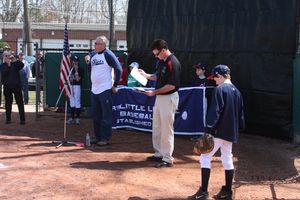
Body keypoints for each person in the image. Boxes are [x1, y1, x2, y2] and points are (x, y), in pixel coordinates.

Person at [188, 64, 245, 200]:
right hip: (231, 132)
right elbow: (241, 115)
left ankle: (203, 192)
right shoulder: (237, 91)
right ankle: (227, 192)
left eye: (215, 78)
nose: (214, 80)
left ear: (220, 75)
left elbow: (215, 112)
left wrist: (208, 129)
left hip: (218, 131)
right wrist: (238, 129)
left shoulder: (220, 89)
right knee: (227, 158)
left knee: (205, 157)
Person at [139, 39, 181, 168]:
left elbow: (171, 85)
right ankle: (158, 153)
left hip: (168, 97)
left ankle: (167, 158)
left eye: (157, 54)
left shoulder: (173, 62)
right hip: (160, 97)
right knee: (157, 126)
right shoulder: (161, 61)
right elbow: (158, 76)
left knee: (166, 129)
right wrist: (146, 75)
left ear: (163, 50)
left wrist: (154, 92)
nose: (155, 56)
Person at [86, 35, 122, 146]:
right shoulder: (93, 54)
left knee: (106, 115)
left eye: (97, 44)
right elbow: (89, 60)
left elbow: (119, 69)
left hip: (105, 89)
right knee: (96, 115)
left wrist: (115, 85)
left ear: (104, 45)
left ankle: (105, 138)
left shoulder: (108, 54)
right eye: (95, 43)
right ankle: (97, 137)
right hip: (94, 90)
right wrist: (87, 58)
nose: (95, 45)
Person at [0, 51, 26, 124]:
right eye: (6, 56)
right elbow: (4, 73)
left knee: (20, 102)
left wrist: (15, 59)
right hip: (7, 87)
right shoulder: (2, 65)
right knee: (8, 103)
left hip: (16, 86)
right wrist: (8, 65)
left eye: (8, 56)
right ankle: (8, 119)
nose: (7, 57)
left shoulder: (15, 64)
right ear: (3, 57)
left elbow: (22, 65)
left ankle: (22, 119)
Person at [67, 55, 84, 125]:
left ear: (78, 62)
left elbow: (77, 79)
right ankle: (72, 118)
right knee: (72, 101)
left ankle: (77, 118)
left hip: (77, 86)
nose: (75, 62)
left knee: (77, 101)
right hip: (71, 86)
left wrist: (76, 70)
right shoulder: (71, 69)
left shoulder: (81, 69)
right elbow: (70, 79)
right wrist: (71, 79)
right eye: (74, 61)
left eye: (76, 61)